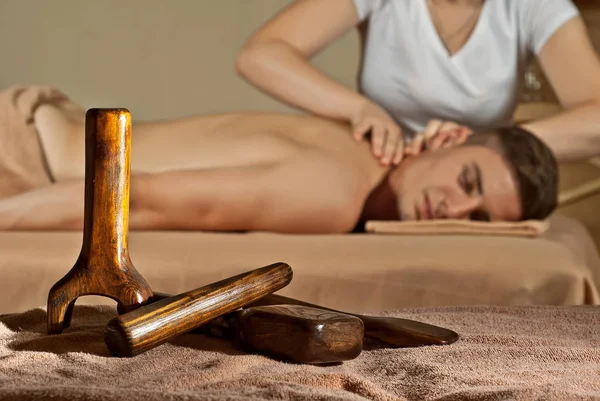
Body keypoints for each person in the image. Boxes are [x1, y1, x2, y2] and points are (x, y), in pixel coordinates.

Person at [0, 88, 557, 233]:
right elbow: (133, 198)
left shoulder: (365, 141)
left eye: (479, 218)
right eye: (468, 179)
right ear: (447, 139)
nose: (455, 209)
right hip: (26, 155)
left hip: (48, 122)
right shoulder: (337, 197)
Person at [235, 0, 600, 165]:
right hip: (379, 169)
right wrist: (359, 108)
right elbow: (261, 56)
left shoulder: (536, 7)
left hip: (471, 183)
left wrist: (476, 146)